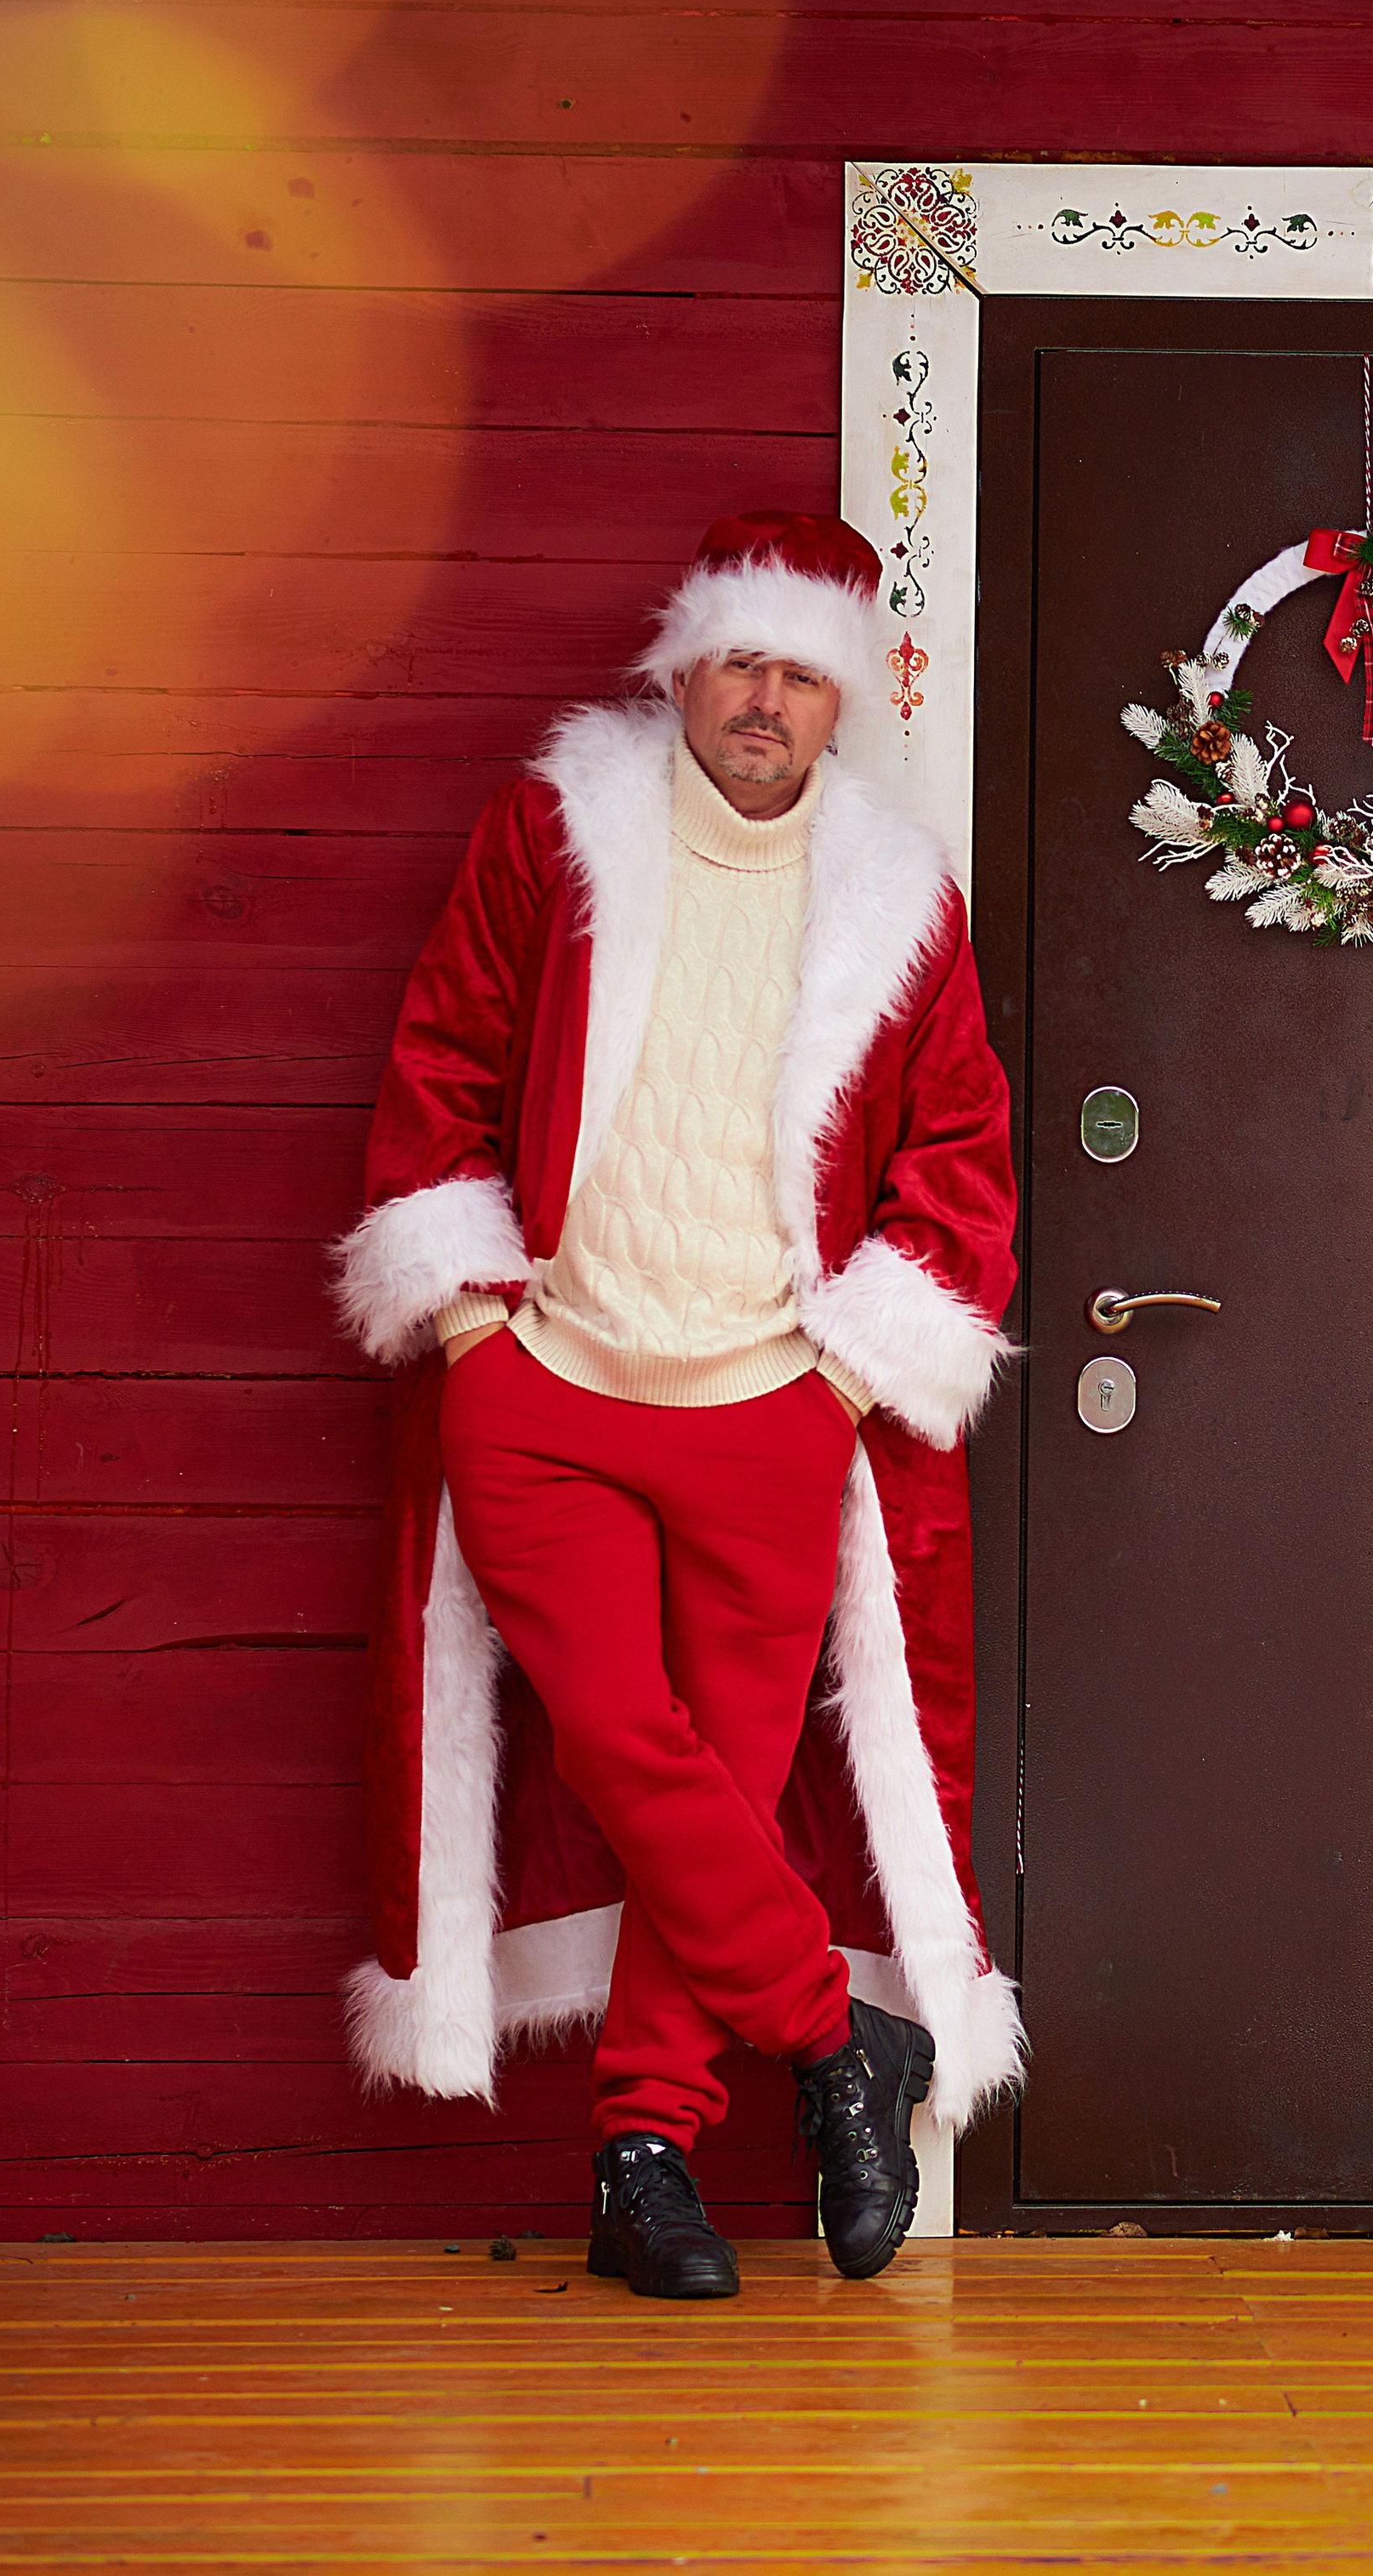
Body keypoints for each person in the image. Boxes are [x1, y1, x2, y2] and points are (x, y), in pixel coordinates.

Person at [331, 510, 1023, 2299]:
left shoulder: (900, 903)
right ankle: (831, 2041)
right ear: (684, 669)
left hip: (767, 1404)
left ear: (839, 702)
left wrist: (855, 1359)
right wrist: (473, 1311)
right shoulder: (560, 829)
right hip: (542, 1377)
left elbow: (959, 1154)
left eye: (803, 676)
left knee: (705, 1777)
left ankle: (643, 2158)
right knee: (628, 1748)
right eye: (742, 665)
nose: (766, 703)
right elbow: (445, 1049)